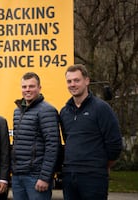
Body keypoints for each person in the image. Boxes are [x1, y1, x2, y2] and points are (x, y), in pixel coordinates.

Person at [60, 64, 122, 200]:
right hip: (70, 176)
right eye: (69, 81)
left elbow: (115, 143)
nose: (73, 84)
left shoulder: (101, 108)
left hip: (94, 176)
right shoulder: (64, 112)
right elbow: (67, 139)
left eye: (77, 80)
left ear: (86, 81)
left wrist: (101, 165)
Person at [11, 72, 60, 200]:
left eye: (31, 86)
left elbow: (53, 146)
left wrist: (44, 177)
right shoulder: (17, 111)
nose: (27, 90)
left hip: (36, 177)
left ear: (39, 88)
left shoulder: (47, 110)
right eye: (24, 87)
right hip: (18, 176)